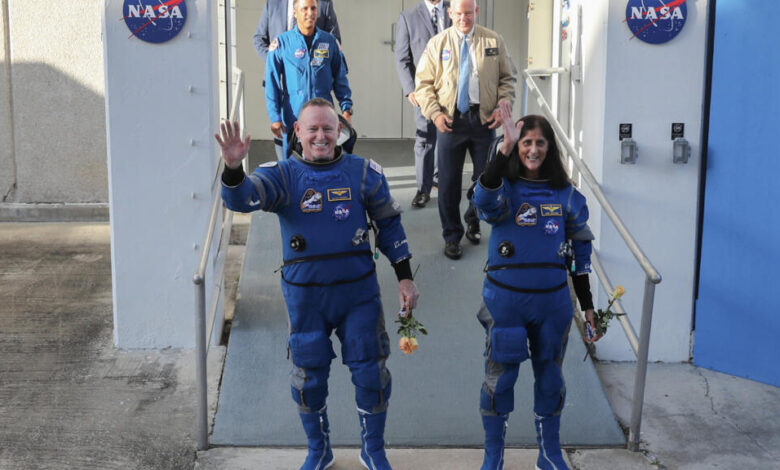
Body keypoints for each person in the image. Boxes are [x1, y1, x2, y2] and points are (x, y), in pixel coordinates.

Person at [216, 98, 419, 470]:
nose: (321, 136)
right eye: (313, 129)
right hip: (306, 300)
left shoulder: (363, 173)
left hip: (359, 296)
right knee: (308, 378)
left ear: (340, 130)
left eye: (328, 128)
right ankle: (319, 451)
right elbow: (243, 198)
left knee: (371, 373)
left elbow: (389, 225)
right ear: (298, 131)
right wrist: (232, 168)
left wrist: (404, 277)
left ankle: (373, 451)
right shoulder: (282, 176)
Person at [471, 102, 602, 470]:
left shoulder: (567, 195)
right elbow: (483, 200)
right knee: (500, 380)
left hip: (552, 305)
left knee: (550, 379)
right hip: (505, 303)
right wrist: (504, 148)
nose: (532, 149)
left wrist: (588, 306)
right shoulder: (504, 188)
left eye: (539, 142)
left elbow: (579, 257)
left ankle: (549, 453)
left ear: (550, 148)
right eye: (525, 142)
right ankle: (493, 455)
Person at [414, 0, 516, 260]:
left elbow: (507, 79)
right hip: (450, 121)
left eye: (468, 13)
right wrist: (435, 114)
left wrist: (502, 106)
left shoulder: (493, 41)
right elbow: (423, 84)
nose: (463, 18)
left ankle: (473, 220)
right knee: (448, 184)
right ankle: (451, 235)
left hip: (484, 121)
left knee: (484, 180)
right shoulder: (437, 43)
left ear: (476, 11)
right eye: (458, 13)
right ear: (450, 13)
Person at [254, 0, 341, 160]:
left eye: (313, 9)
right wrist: (280, 62)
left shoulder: (324, 4)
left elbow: (334, 41)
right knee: (285, 136)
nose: (310, 12)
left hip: (313, 88)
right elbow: (259, 39)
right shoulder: (272, 4)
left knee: (316, 140)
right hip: (282, 85)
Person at [394, 0, 451, 209]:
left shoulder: (455, 10)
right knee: (425, 138)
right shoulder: (408, 17)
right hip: (423, 91)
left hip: (452, 91)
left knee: (450, 137)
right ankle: (422, 190)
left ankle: (444, 180)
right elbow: (402, 58)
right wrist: (410, 89)